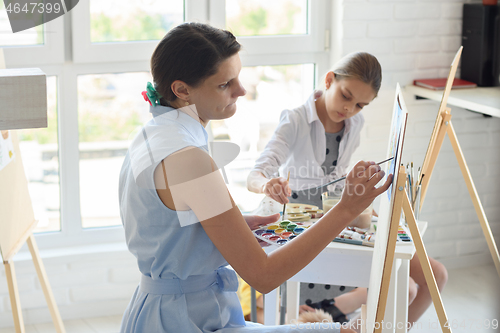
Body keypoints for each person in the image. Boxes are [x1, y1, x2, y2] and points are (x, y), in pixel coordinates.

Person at [119, 22, 392, 333]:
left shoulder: (153, 133)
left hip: (164, 310)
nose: (241, 90)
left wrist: (232, 225)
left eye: (238, 77)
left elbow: (164, 229)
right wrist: (346, 209)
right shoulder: (189, 158)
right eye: (225, 84)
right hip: (186, 319)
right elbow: (264, 276)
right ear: (182, 90)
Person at [246, 52, 448, 328]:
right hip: (306, 230)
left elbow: (339, 177)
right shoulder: (294, 120)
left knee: (433, 276)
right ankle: (338, 311)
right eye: (346, 96)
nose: (350, 109)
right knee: (403, 288)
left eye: (360, 105)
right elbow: (255, 174)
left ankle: (344, 311)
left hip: (343, 217)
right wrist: (267, 184)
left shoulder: (354, 124)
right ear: (329, 80)